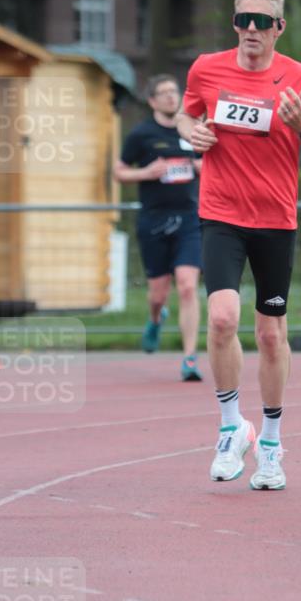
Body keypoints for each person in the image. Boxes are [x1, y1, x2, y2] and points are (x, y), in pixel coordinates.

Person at [176, 0, 301, 488]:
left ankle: (270, 443)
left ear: (278, 29)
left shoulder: (298, 77)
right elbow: (186, 112)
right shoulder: (206, 68)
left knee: (271, 334)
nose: (250, 29)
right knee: (222, 318)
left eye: (261, 22)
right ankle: (231, 428)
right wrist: (190, 131)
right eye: (242, 19)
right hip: (221, 213)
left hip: (274, 218)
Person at [115, 75, 203, 381]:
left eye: (173, 91)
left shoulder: (191, 131)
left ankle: (190, 358)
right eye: (163, 93)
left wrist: (198, 167)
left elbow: (211, 164)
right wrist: (147, 173)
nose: (170, 97)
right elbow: (119, 172)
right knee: (157, 294)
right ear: (152, 101)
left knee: (188, 285)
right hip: (154, 220)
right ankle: (155, 318)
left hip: (189, 218)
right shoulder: (141, 134)